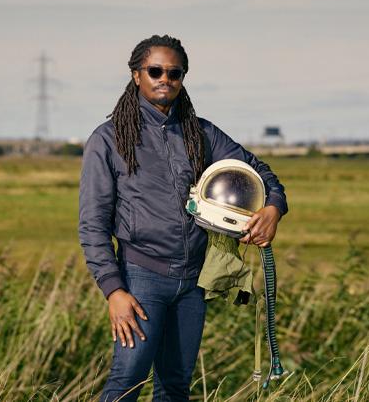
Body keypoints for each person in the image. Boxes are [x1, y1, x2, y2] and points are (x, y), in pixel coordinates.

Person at [79, 34, 288, 402]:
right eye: (155, 70)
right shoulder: (109, 139)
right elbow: (92, 224)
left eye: (175, 73)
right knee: (126, 382)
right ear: (136, 75)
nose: (165, 79)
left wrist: (273, 207)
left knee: (176, 387)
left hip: (193, 281)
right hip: (140, 280)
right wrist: (114, 290)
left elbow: (259, 172)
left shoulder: (201, 133)